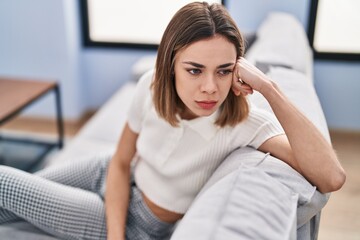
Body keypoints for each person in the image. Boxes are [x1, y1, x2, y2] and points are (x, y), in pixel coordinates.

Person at [0, 2, 345, 240]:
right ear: (170, 64)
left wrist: (269, 88)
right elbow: (120, 161)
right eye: (194, 70)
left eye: (224, 71)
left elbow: (331, 176)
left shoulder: (245, 122)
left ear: (237, 69)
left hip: (140, 222)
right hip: (108, 171)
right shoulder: (150, 86)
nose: (210, 87)